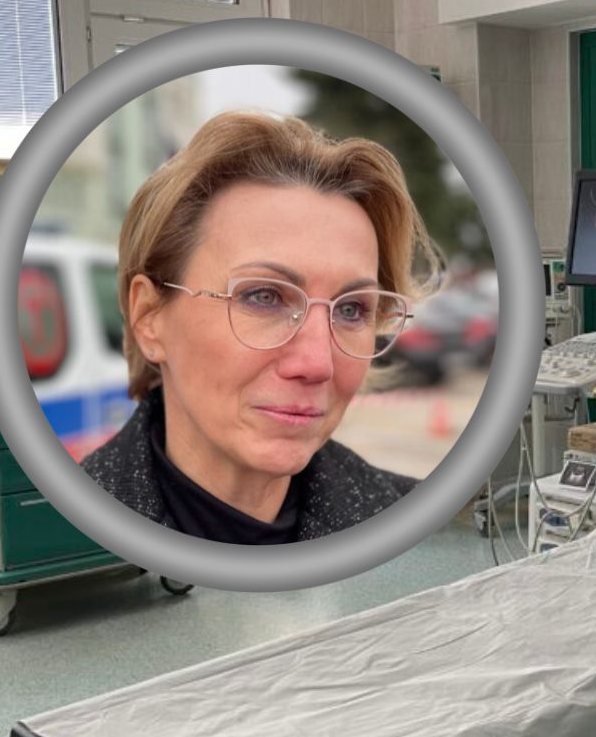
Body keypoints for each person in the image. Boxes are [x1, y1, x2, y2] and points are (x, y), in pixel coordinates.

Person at [82, 111, 439, 543]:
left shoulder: (424, 534)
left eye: (351, 309)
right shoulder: (57, 540)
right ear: (149, 317)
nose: (318, 363)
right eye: (264, 297)